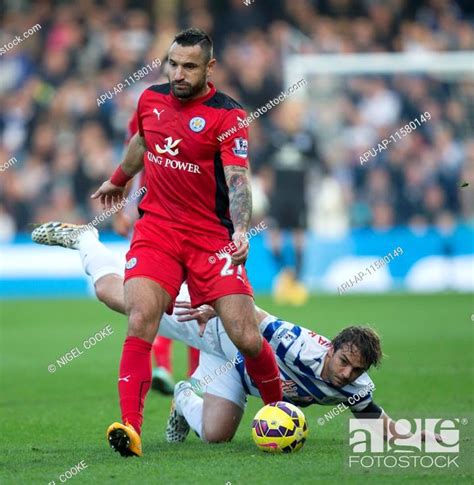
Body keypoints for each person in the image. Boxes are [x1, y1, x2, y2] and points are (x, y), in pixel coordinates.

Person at [32, 222, 439, 445]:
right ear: (330, 349)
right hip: (214, 321)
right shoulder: (299, 346)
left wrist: (418, 437)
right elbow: (257, 317)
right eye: (344, 361)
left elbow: (374, 418)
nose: (346, 373)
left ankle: (183, 397)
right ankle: (87, 240)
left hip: (231, 369)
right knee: (111, 295)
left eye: (355, 369)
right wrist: (216, 304)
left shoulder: (354, 386)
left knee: (216, 437)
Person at [90, 27, 282, 456]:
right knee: (141, 316)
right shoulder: (149, 100)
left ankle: (280, 411)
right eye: (173, 64)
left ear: (209, 68)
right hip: (156, 230)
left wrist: (240, 229)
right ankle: (130, 428)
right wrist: (119, 180)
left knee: (246, 335)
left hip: (210, 238)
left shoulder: (228, 116)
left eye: (189, 66)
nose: (178, 73)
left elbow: (238, 179)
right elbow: (141, 142)